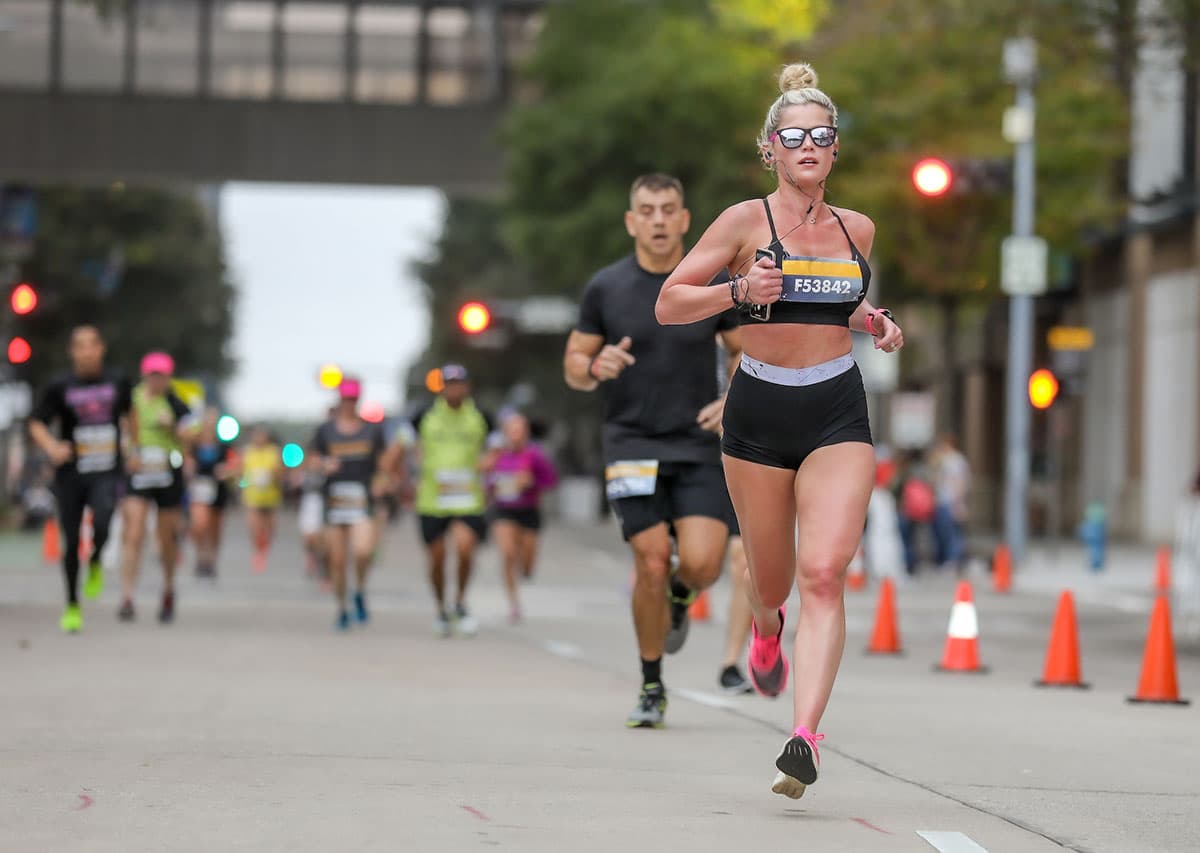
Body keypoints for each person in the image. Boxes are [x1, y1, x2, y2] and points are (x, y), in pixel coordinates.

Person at [655, 63, 904, 797]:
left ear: (834, 150)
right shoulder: (742, 222)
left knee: (825, 572)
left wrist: (876, 322)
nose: (807, 146)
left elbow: (839, 305)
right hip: (758, 413)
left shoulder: (857, 229)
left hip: (836, 408)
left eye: (820, 136)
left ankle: (803, 739)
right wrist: (738, 290)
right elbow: (671, 304)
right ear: (770, 148)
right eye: (792, 135)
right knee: (773, 581)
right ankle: (766, 631)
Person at [564, 173, 742, 728]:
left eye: (669, 209)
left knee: (701, 562)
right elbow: (574, 364)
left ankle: (683, 594)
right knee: (648, 560)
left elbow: (748, 352)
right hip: (632, 442)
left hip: (697, 443)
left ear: (685, 219)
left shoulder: (711, 282)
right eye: (648, 210)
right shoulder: (606, 288)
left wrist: (735, 396)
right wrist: (596, 368)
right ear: (632, 221)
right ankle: (651, 684)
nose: (659, 219)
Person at [28, 325, 132, 633]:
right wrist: (52, 447)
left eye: (92, 345)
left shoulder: (118, 381)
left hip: (106, 469)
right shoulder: (60, 386)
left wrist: (133, 446)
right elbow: (37, 422)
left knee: (102, 523)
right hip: (72, 473)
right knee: (71, 540)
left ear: (102, 348)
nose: (87, 351)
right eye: (80, 346)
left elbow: (131, 414)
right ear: (72, 352)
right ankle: (72, 604)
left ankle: (97, 560)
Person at [395, 365, 496, 638]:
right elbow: (402, 445)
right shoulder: (423, 415)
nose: (455, 389)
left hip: (467, 498)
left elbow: (497, 446)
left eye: (459, 383)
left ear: (467, 386)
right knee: (437, 557)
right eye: (449, 384)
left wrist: (488, 462)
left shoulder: (481, 416)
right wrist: (400, 470)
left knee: (465, 548)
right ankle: (441, 607)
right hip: (432, 499)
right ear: (442, 387)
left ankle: (460, 602)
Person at [119, 352, 194, 624]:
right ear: (145, 375)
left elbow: (192, 433)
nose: (157, 380)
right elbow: (120, 428)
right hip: (138, 471)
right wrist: (127, 453)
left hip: (167, 472)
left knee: (167, 538)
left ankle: (168, 588)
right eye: (153, 375)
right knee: (135, 532)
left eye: (162, 376)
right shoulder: (131, 399)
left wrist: (173, 425)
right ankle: (127, 595)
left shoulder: (175, 402)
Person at [310, 378, 389, 630]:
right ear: (339, 399)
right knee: (337, 560)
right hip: (334, 502)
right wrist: (322, 464)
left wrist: (381, 482)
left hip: (361, 501)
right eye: (345, 399)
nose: (349, 403)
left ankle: (361, 589)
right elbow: (311, 458)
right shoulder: (325, 430)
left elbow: (384, 464)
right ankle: (342, 607)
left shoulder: (371, 431)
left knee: (363, 551)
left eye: (353, 399)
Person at [487, 411, 559, 624]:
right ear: (505, 433)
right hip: (503, 510)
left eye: (520, 430)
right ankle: (514, 603)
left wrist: (531, 483)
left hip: (528, 510)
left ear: (526, 433)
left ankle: (525, 570)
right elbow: (487, 483)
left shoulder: (535, 455)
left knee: (527, 564)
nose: (515, 435)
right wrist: (495, 485)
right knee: (508, 553)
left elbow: (551, 481)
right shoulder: (497, 454)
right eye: (511, 430)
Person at [187, 407, 236, 579]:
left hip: (217, 489)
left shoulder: (224, 445)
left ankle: (211, 560)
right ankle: (200, 557)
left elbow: (233, 465)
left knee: (215, 527)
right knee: (199, 525)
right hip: (199, 488)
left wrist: (226, 471)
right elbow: (187, 462)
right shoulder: (194, 444)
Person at [241, 424, 284, 573]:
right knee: (254, 526)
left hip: (270, 496)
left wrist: (275, 473)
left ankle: (265, 546)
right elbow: (240, 471)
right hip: (253, 496)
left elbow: (281, 473)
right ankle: (258, 551)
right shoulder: (247, 452)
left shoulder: (274, 452)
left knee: (269, 527)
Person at [931, 434, 971, 573]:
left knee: (952, 533)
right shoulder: (945, 460)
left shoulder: (955, 461)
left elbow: (959, 482)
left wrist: (958, 503)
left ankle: (953, 561)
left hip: (950, 501)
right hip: (943, 501)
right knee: (944, 532)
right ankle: (949, 559)